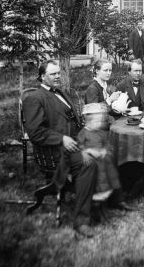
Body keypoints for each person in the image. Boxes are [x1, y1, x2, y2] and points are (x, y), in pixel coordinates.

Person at [22, 60, 97, 238]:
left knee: (105, 146)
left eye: (58, 73)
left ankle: (105, 197)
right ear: (42, 76)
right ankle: (81, 221)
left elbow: (71, 119)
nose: (58, 76)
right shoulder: (35, 98)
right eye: (53, 74)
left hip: (74, 142)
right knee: (88, 164)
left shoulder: (60, 93)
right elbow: (35, 132)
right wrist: (61, 139)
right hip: (55, 151)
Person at [76, 102, 134, 212]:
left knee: (113, 175)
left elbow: (107, 144)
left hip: (105, 161)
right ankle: (98, 199)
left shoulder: (101, 133)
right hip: (94, 162)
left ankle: (117, 199)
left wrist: (104, 150)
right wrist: (89, 151)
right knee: (100, 177)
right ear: (87, 122)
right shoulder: (83, 134)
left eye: (100, 121)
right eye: (96, 121)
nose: (100, 124)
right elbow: (80, 147)